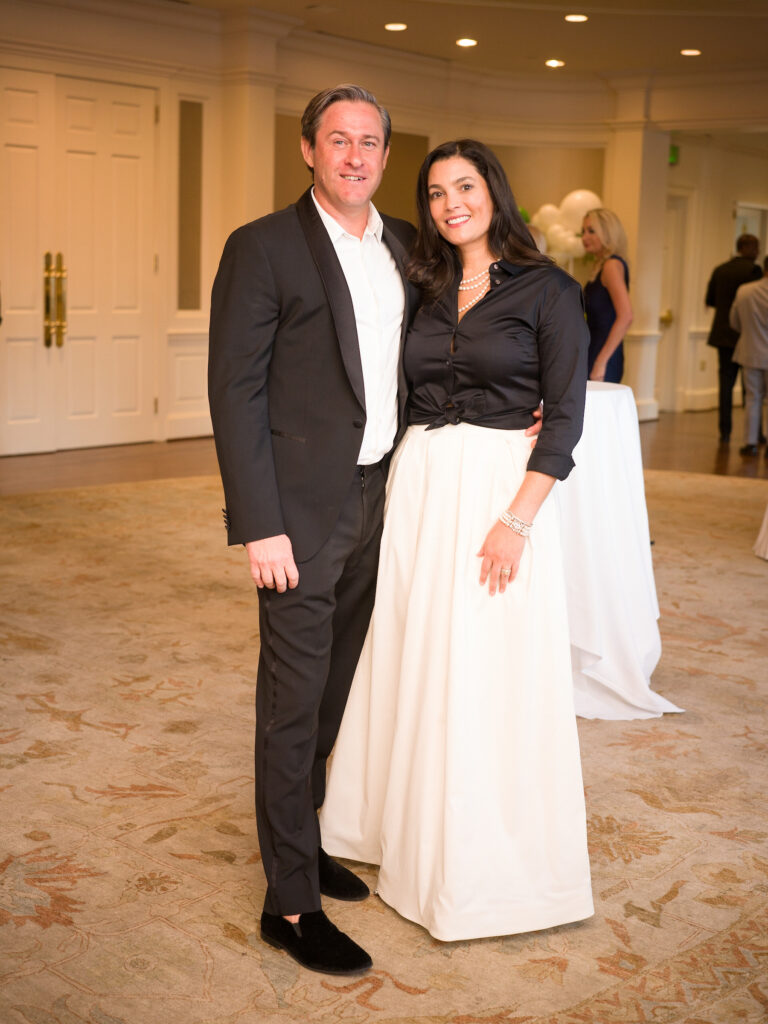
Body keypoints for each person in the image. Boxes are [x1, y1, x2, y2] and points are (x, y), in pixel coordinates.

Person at [319, 139, 594, 942]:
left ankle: (478, 854)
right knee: (409, 650)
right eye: (436, 192)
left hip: (497, 490)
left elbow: (566, 417)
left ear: (494, 194)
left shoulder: (549, 290)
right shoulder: (423, 282)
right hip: (421, 484)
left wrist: (516, 521)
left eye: (464, 187)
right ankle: (390, 828)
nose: (450, 205)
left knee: (483, 663)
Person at [207, 84, 419, 977]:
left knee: (335, 693)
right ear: (308, 149)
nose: (356, 156)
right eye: (339, 140)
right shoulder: (262, 247)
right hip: (295, 516)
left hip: (380, 498)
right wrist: (260, 526)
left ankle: (307, 838)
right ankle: (289, 903)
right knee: (292, 706)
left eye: (370, 141)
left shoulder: (404, 245)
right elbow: (235, 392)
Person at [705, 233, 762, 443]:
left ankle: (725, 431)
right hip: (747, 336)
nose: (757, 253)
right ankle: (755, 435)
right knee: (753, 390)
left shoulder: (720, 269)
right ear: (748, 248)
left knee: (725, 386)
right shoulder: (753, 271)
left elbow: (710, 300)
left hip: (722, 336)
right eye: (756, 248)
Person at [581, 207, 633, 383]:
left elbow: (626, 316)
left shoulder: (611, 265)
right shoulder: (601, 266)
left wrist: (601, 362)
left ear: (607, 233)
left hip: (603, 354)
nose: (584, 237)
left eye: (591, 231)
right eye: (583, 231)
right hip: (594, 349)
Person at [730, 255, 768, 456]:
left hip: (751, 351)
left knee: (752, 398)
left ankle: (750, 442)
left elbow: (734, 322)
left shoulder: (745, 291)